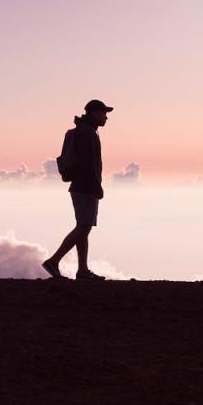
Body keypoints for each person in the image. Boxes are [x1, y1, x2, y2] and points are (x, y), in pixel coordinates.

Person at [42, 99, 113, 280]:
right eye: (104, 113)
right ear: (94, 113)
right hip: (85, 186)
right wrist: (97, 186)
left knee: (83, 226)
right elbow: (88, 164)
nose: (106, 117)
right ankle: (53, 261)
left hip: (80, 186)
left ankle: (82, 270)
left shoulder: (85, 131)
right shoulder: (87, 133)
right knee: (84, 226)